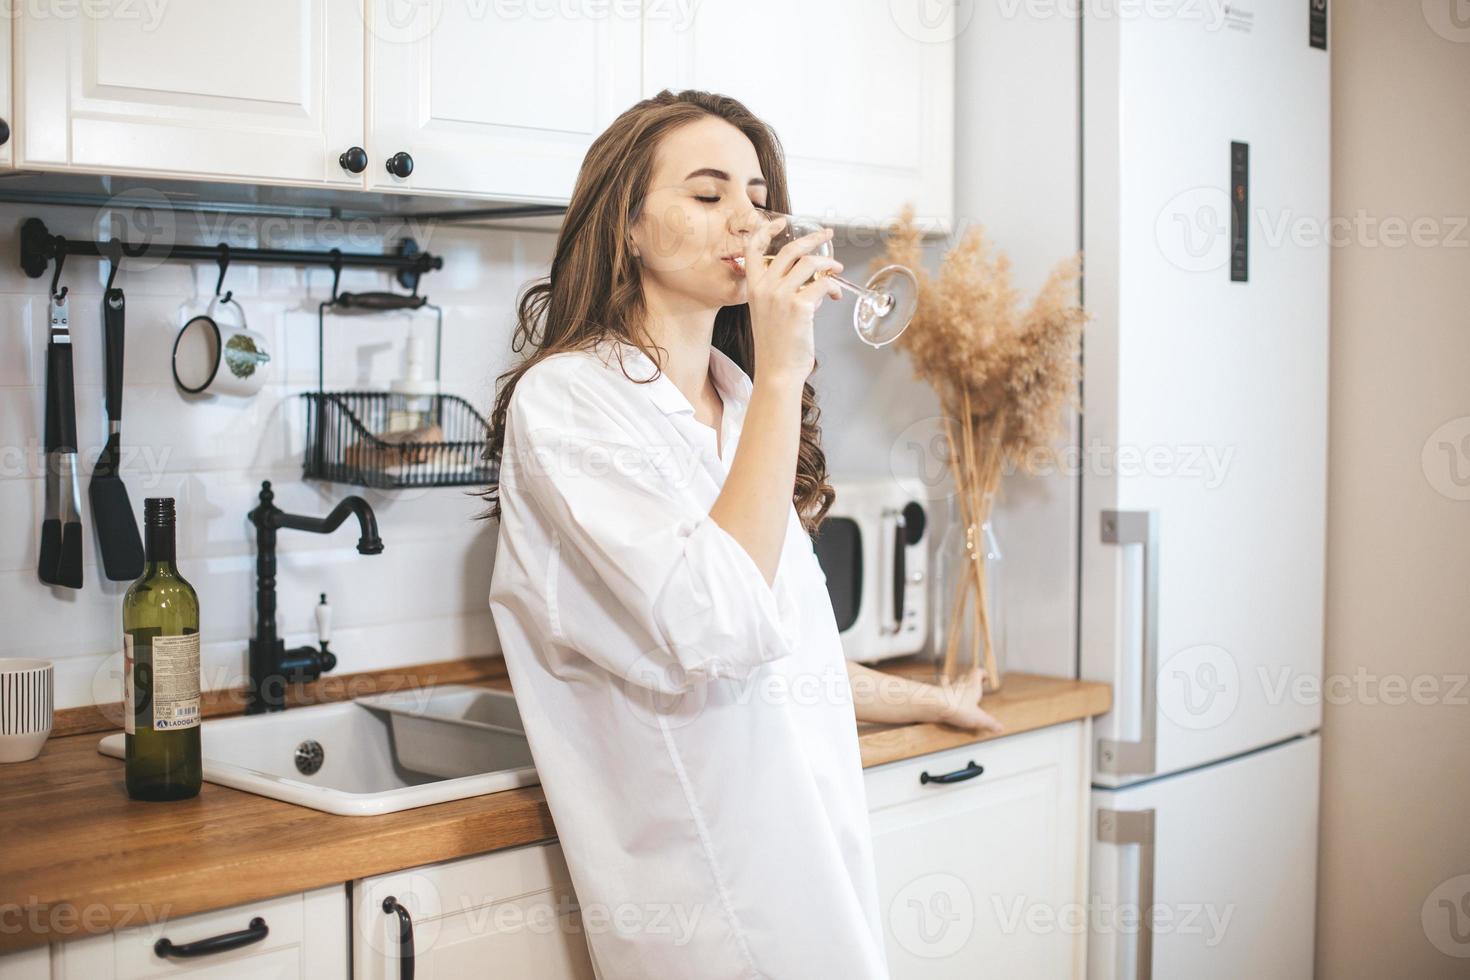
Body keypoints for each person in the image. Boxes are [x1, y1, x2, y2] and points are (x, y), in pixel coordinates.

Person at [484, 89, 1002, 979]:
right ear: (628, 229)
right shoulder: (571, 402)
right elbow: (716, 627)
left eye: (757, 196)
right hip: (710, 901)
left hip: (808, 868)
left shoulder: (732, 398)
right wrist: (784, 372)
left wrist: (924, 699)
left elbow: (780, 647)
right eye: (708, 192)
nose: (748, 219)